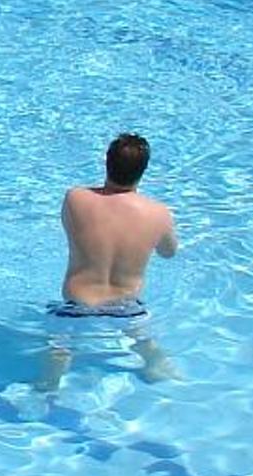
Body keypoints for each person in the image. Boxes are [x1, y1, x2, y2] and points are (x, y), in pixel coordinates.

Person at [48, 132, 179, 389]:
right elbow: (168, 252)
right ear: (143, 171)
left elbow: (70, 228)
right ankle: (156, 367)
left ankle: (49, 385)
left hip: (76, 306)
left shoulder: (75, 198)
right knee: (145, 343)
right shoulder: (159, 214)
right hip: (127, 308)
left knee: (60, 347)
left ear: (106, 162)